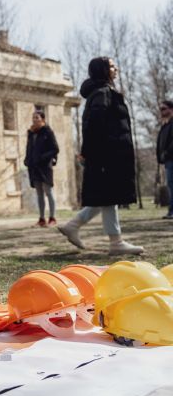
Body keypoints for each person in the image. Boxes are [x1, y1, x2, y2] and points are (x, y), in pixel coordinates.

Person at [57, 57, 143, 255]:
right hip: (107, 154)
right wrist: (89, 153)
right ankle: (116, 241)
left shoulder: (102, 93)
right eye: (112, 66)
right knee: (108, 195)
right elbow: (93, 126)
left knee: (106, 196)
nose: (116, 69)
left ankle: (74, 225)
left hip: (108, 153)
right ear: (103, 70)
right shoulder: (103, 94)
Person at [24, 110, 59, 227]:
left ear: (42, 119)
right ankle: (41, 219)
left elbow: (55, 149)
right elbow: (29, 148)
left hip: (45, 167)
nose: (34, 120)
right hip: (34, 167)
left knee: (48, 192)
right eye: (33, 118)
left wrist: (43, 157)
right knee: (39, 193)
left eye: (37, 118)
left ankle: (52, 218)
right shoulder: (31, 133)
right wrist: (27, 159)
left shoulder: (48, 132)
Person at [157, 100, 173, 220]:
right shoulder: (165, 125)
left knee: (172, 184)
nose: (161, 111)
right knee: (170, 185)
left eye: (164, 109)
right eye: (160, 109)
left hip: (171, 158)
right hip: (168, 160)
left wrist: (166, 153)